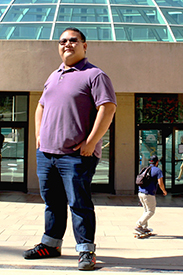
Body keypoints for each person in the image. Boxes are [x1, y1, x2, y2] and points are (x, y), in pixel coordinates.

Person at [23, 27, 116, 271]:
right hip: (47, 154)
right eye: (63, 41)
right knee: (52, 202)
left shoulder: (95, 75)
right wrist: (38, 137)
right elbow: (40, 106)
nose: (67, 44)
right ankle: (51, 244)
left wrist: (91, 142)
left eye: (73, 40)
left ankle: (86, 251)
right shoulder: (54, 75)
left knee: (79, 203)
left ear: (85, 46)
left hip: (76, 156)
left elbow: (108, 108)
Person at [135, 155, 167, 234]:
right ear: (157, 162)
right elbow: (160, 183)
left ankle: (144, 227)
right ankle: (139, 225)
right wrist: (164, 191)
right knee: (151, 211)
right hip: (148, 194)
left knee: (146, 211)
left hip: (140, 193)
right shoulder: (158, 170)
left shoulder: (145, 169)